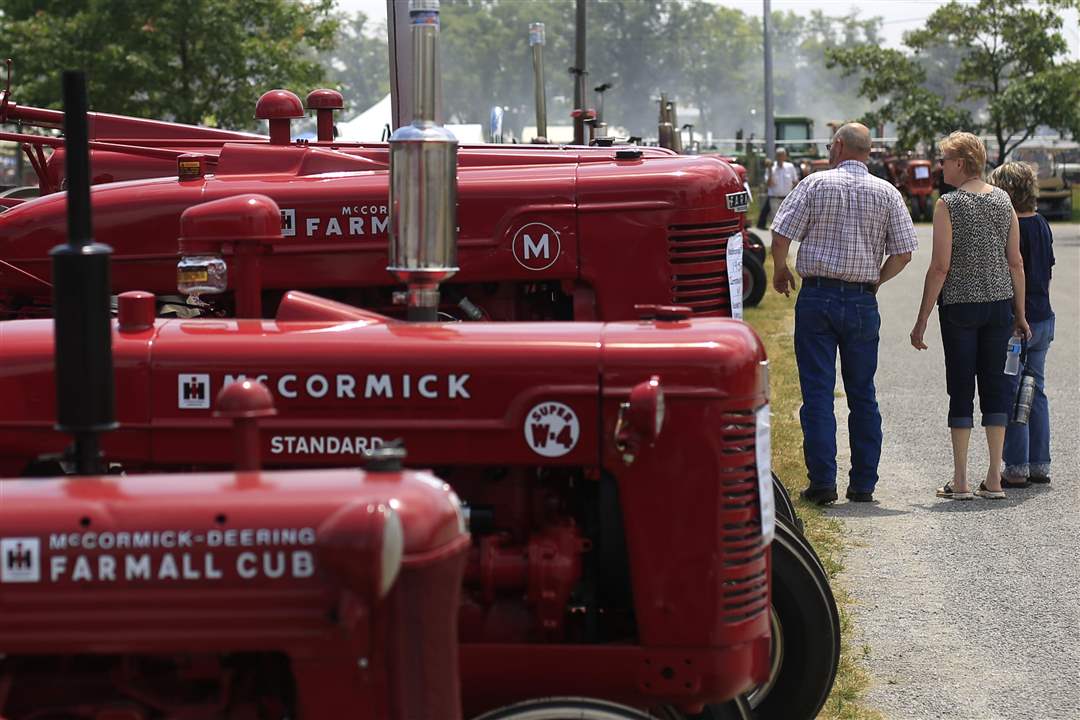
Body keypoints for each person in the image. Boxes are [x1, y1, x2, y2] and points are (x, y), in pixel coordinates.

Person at [771, 123, 917, 505]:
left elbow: (782, 231)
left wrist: (780, 269)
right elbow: (904, 252)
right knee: (862, 394)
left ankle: (822, 482)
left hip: (817, 298)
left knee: (817, 393)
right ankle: (863, 483)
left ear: (837, 147)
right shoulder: (887, 192)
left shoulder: (814, 184)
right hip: (861, 300)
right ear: (867, 152)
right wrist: (876, 281)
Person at [910, 132, 1030, 501]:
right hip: (998, 305)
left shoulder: (948, 204)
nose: (939, 164)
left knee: (961, 388)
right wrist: (1020, 314)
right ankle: (994, 478)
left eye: (944, 158)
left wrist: (922, 317)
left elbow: (940, 266)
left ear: (960, 163)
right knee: (995, 389)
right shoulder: (1003, 200)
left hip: (960, 307)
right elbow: (1016, 261)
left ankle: (961, 480)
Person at [989, 161, 1055, 487]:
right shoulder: (1042, 224)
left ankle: (1016, 466)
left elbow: (1014, 271)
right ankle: (1039, 462)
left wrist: (1016, 316)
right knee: (1037, 390)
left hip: (1020, 320)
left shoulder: (1014, 227)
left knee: (1014, 392)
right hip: (1044, 316)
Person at [756, 147, 799, 230]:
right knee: (776, 223)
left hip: (787, 199)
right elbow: (769, 184)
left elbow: (795, 181)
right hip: (774, 199)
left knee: (786, 221)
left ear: (785, 157)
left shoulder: (790, 167)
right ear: (776, 156)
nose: (780, 158)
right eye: (778, 156)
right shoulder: (771, 168)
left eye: (782, 156)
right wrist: (769, 171)